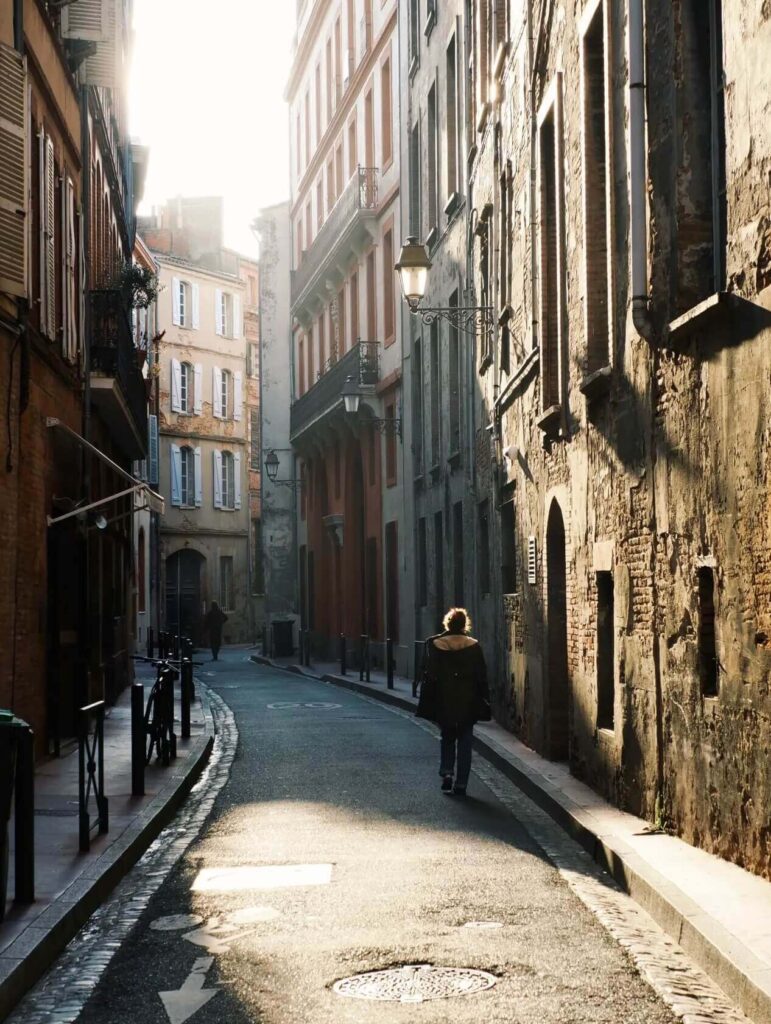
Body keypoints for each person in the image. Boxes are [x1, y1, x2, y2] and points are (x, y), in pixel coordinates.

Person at [416, 607, 490, 796]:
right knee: (465, 742)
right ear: (465, 624)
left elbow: (430, 675)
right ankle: (462, 784)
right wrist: (486, 699)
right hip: (468, 699)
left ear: (447, 623)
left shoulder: (436, 644)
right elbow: (482, 676)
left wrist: (427, 698)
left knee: (447, 737)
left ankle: (447, 772)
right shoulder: (473, 646)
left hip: (445, 698)